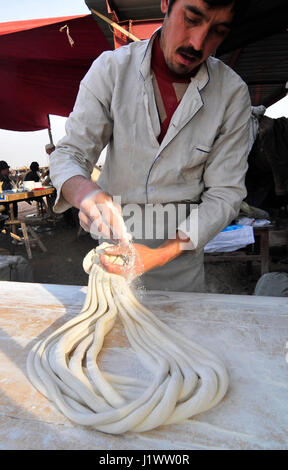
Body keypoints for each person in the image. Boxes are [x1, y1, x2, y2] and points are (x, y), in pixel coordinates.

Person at [50, 0, 252, 292]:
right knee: (113, 331)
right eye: (192, 18)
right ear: (166, 3)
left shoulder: (231, 93)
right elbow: (70, 153)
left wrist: (159, 254)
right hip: (114, 256)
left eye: (217, 31)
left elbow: (225, 193)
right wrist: (84, 191)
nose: (198, 43)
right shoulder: (112, 70)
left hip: (180, 264)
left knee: (179, 331)